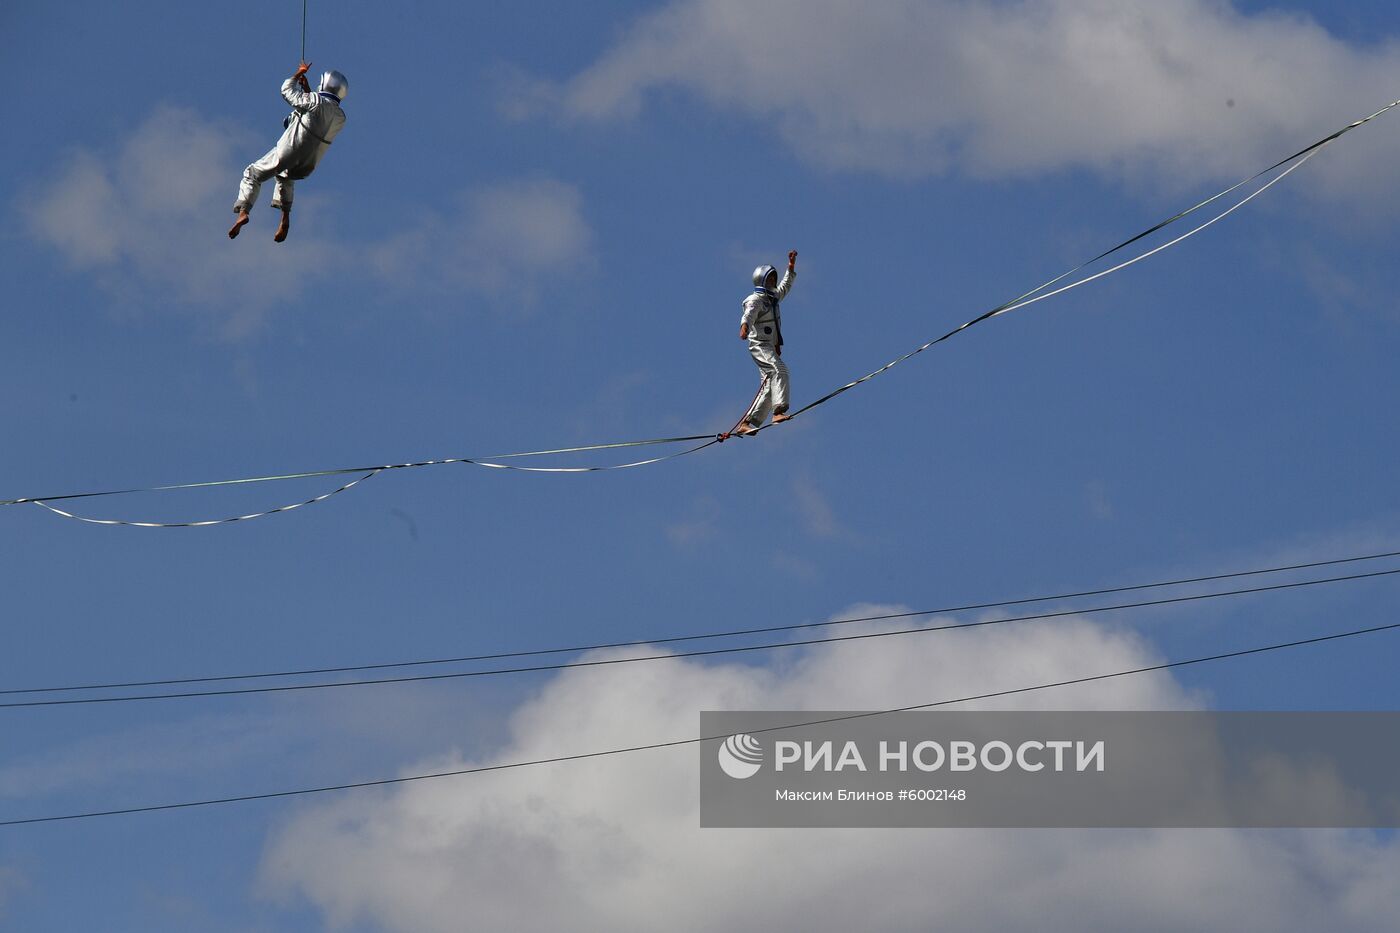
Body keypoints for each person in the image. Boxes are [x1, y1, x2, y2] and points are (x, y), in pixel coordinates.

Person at [228, 62, 347, 242]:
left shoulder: (315, 101)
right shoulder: (340, 117)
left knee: (252, 173)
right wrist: (308, 91)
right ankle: (285, 218)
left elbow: (287, 91)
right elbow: (317, 114)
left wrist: (297, 74)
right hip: (307, 165)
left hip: (289, 151)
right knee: (285, 177)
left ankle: (243, 212)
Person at [732, 250, 798, 436]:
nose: (772, 283)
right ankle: (778, 411)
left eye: (773, 280)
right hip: (759, 345)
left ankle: (747, 422)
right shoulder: (756, 299)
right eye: (769, 280)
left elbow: (785, 287)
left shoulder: (773, 298)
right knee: (779, 371)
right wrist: (744, 326)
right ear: (761, 281)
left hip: (769, 347)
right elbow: (749, 313)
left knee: (769, 385)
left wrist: (790, 268)